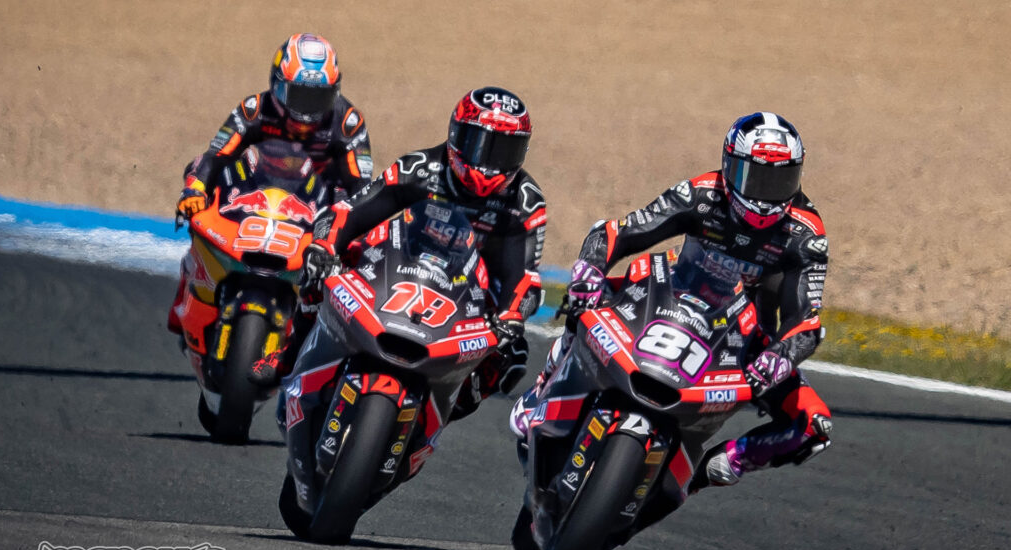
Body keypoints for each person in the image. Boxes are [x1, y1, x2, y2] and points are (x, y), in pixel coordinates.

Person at [512, 111, 832, 494]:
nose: (765, 195)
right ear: (729, 166)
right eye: (755, 177)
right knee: (590, 293)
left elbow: (806, 320)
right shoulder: (701, 193)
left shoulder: (806, 234)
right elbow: (617, 232)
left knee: (814, 425)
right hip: (673, 295)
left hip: (745, 341)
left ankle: (717, 466)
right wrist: (590, 270)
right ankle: (545, 386)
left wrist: (779, 356)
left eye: (780, 180)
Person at [250, 86, 546, 419]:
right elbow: (351, 211)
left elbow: (525, 274)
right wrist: (324, 245)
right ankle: (290, 354)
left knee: (512, 352)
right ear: (455, 134)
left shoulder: (526, 202)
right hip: (402, 260)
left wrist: (511, 315)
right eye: (480, 144)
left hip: (471, 288)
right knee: (324, 265)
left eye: (503, 150)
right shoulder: (419, 167)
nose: (488, 163)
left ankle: (442, 409)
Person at [168, 32, 373, 335]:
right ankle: (196, 282)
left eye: (319, 98)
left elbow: (361, 187)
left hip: (316, 206)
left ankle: (320, 321)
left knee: (359, 232)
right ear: (277, 85)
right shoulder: (254, 109)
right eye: (299, 96)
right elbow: (216, 155)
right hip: (254, 192)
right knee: (201, 176)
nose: (308, 110)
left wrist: (355, 231)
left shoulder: (348, 123)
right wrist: (195, 189)